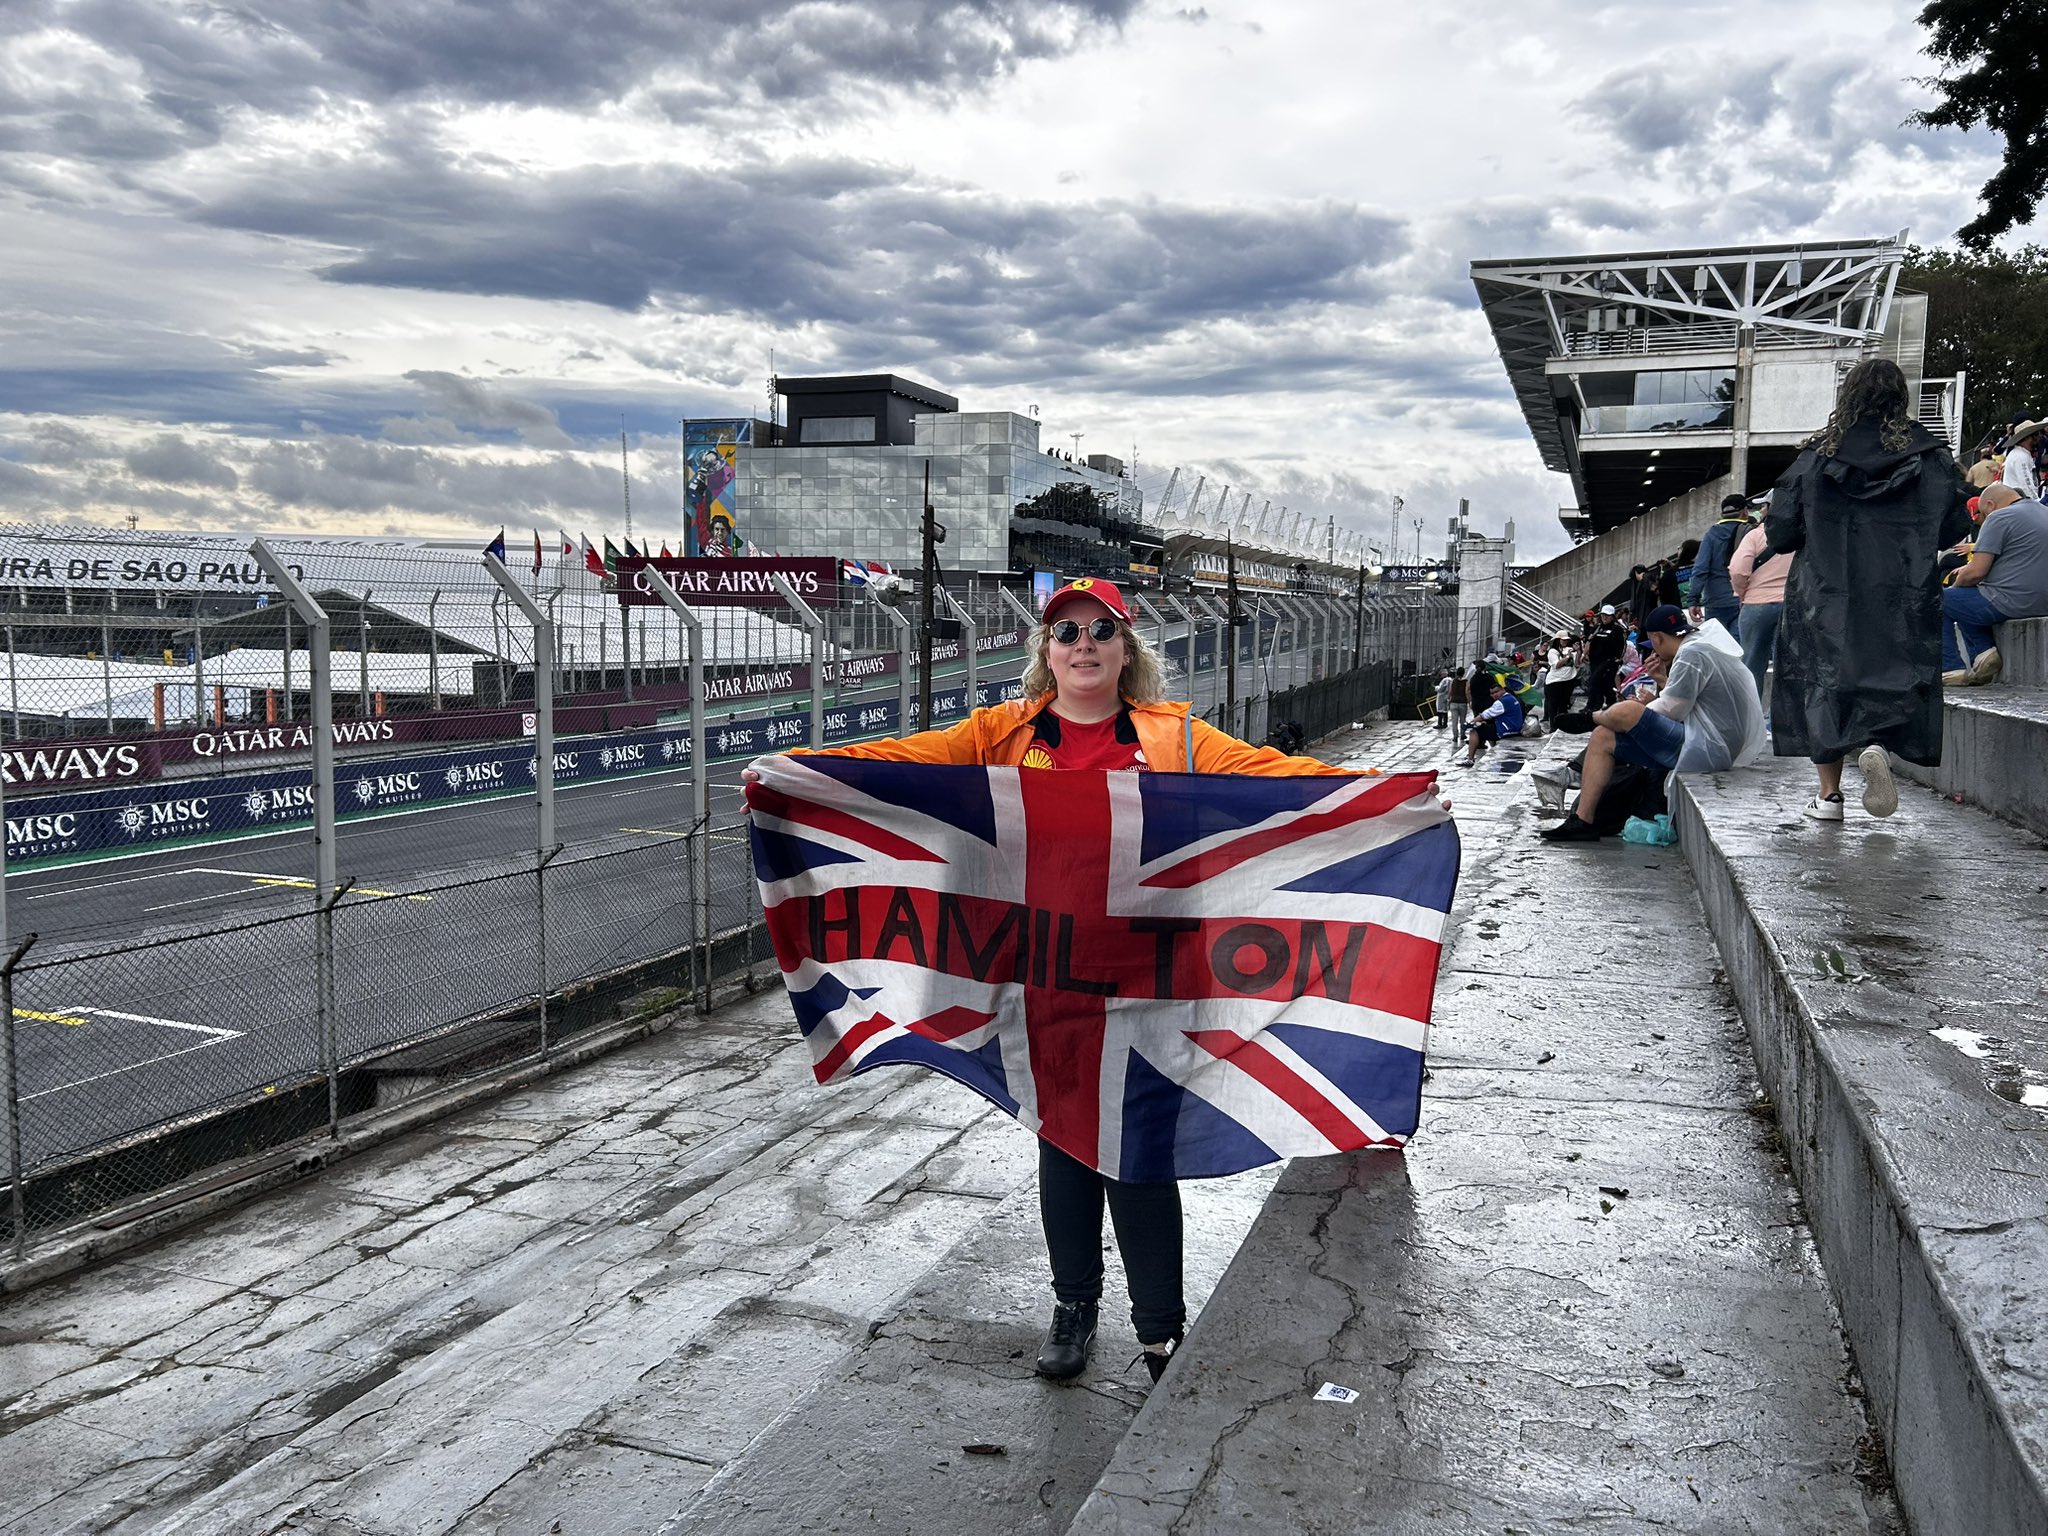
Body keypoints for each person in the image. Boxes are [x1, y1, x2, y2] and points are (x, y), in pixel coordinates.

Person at [749, 577, 1348, 1386]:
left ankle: (1161, 1329)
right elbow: (898, 764)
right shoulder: (1003, 733)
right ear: (1047, 651)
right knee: (1063, 1142)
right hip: (1041, 977)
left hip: (1150, 976)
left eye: (1101, 629)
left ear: (1126, 646)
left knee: (1138, 1150)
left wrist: (1385, 795)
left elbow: (1279, 779)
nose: (1084, 644)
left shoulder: (1176, 737)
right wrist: (796, 772)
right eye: (1066, 633)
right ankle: (1074, 1308)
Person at [1765, 358, 1974, 822]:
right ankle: (1875, 744)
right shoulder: (1930, 456)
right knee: (1892, 670)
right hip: (1902, 592)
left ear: (1849, 397)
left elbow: (1780, 532)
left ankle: (1829, 796)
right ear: (1899, 398)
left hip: (1825, 591)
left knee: (1825, 679)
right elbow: (1951, 526)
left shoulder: (1817, 456)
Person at [1541, 606, 1763, 842]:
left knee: (1628, 711)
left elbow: (1672, 710)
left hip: (1708, 746)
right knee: (1603, 736)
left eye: (1653, 642)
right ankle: (1583, 821)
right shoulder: (1701, 644)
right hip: (1711, 741)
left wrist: (1633, 716)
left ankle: (1590, 718)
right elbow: (1682, 703)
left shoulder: (1692, 654)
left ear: (1657, 637)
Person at [1943, 483, 2048, 685]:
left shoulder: (1999, 517)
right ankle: (1984, 655)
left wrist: (1954, 590)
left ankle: (1951, 669)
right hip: (2042, 603)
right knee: (1964, 600)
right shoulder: (2044, 512)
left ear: (1990, 505)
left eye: (1982, 514)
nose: (1982, 520)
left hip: (2011, 601)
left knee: (1939, 599)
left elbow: (1976, 572)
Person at [1728, 498, 1792, 711]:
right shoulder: (1800, 534)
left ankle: (1751, 721)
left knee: (1752, 667)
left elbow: (1738, 569)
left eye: (1763, 506)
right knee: (1789, 668)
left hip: (1756, 606)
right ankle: (1783, 725)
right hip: (1791, 605)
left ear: (1770, 509)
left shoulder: (1755, 535)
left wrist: (1741, 592)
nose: (1761, 509)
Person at [1687, 494, 1752, 635]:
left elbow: (1700, 569)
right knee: (1739, 650)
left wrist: (1693, 600)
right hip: (1743, 600)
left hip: (1715, 601)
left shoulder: (1711, 534)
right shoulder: (1751, 533)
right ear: (1745, 511)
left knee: (1717, 648)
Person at [1462, 671, 1524, 766]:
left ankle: (1470, 758)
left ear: (1502, 690)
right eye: (1492, 693)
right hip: (1513, 727)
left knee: (1474, 731)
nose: (1494, 695)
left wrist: (1471, 722)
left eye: (1496, 692)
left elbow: (1486, 714)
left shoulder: (1501, 702)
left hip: (1507, 730)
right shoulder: (1511, 697)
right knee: (1487, 727)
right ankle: (1493, 749)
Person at [1584, 606, 1625, 713]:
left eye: (1607, 615)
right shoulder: (1598, 627)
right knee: (1596, 683)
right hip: (1595, 660)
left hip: (1608, 661)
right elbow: (1589, 641)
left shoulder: (1617, 629)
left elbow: (1623, 646)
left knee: (1598, 682)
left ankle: (1599, 705)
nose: (1604, 617)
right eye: (1603, 615)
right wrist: (1586, 653)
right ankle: (1592, 704)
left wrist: (1617, 660)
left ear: (1612, 616)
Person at [1542, 632, 1578, 726]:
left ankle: (1562, 726)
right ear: (1558, 640)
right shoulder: (1552, 651)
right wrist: (1567, 657)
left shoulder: (1570, 649)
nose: (1565, 642)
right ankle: (1553, 726)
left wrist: (1579, 651)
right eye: (1563, 640)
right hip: (1554, 681)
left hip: (1568, 680)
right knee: (1553, 705)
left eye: (1566, 640)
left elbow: (1577, 663)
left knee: (1563, 705)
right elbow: (1557, 665)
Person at [2003, 420, 2043, 501]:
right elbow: (2026, 485)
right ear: (2027, 437)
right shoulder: (2020, 456)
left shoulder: (2022, 454)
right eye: (2036, 434)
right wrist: (2037, 504)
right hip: (2017, 502)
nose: (2040, 437)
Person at [1444, 664, 1470, 744]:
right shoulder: (1466, 682)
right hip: (1462, 702)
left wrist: (1448, 699)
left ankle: (1455, 736)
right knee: (1463, 720)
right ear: (1463, 673)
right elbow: (1466, 692)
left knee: (1454, 721)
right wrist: (1469, 701)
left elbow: (1450, 691)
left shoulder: (1453, 681)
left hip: (1453, 702)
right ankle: (1462, 735)